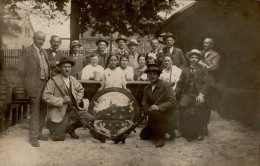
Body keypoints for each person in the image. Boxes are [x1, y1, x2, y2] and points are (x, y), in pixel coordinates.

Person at [42, 57, 95, 141]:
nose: (67, 69)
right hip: (59, 111)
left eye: (69, 67)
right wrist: (62, 100)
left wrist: (76, 99)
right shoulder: (53, 81)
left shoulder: (73, 79)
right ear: (60, 68)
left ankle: (71, 127)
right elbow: (45, 96)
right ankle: (56, 128)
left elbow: (81, 89)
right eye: (64, 67)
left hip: (73, 110)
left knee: (91, 119)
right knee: (58, 138)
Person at [18, 31, 50, 147]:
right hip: (34, 86)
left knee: (43, 110)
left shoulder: (44, 52)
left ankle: (39, 133)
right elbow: (21, 70)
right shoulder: (27, 51)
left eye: (43, 39)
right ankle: (33, 137)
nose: (41, 41)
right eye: (39, 39)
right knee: (35, 111)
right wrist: (28, 84)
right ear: (34, 38)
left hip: (45, 85)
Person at [175, 49, 212, 141]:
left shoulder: (203, 69)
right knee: (182, 105)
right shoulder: (185, 70)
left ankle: (200, 131)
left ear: (198, 59)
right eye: (192, 57)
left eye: (196, 58)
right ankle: (181, 129)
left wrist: (201, 94)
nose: (194, 59)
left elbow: (206, 83)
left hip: (198, 94)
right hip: (187, 94)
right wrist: (174, 92)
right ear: (189, 59)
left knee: (199, 105)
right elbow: (180, 84)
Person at [140, 64, 177, 148]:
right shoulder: (147, 88)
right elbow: (144, 104)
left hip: (167, 115)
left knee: (155, 113)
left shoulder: (166, 85)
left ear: (158, 75)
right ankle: (168, 130)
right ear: (147, 76)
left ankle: (161, 138)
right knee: (143, 135)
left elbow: (172, 101)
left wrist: (158, 107)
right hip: (154, 116)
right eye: (150, 74)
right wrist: (148, 110)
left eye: (154, 74)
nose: (152, 76)